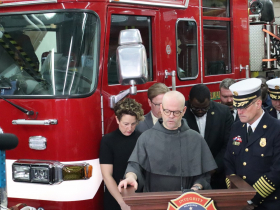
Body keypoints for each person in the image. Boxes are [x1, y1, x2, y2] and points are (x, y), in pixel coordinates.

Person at [118, 91, 217, 193]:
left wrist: (196, 188)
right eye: (167, 111)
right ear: (161, 108)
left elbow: (204, 176)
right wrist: (131, 177)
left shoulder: (196, 139)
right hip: (154, 201)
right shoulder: (146, 137)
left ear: (184, 111)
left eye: (176, 112)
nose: (171, 116)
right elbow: (134, 166)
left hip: (186, 203)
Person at [224, 78, 280, 210]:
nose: (239, 111)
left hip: (268, 202)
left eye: (244, 106)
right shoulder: (237, 127)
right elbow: (228, 161)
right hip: (240, 201)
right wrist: (237, 193)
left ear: (258, 103)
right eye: (237, 106)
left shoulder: (276, 129)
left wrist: (251, 198)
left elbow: (277, 170)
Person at [183, 84, 233, 189]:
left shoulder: (223, 113)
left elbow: (228, 145)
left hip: (217, 176)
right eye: (196, 108)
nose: (200, 111)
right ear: (189, 100)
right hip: (188, 177)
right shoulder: (182, 112)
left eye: (205, 108)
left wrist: (213, 168)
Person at [99, 98, 144, 210]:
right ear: (117, 120)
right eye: (126, 124)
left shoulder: (142, 138)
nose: (129, 128)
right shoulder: (108, 141)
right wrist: (122, 202)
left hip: (139, 196)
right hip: (115, 197)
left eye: (133, 124)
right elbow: (107, 176)